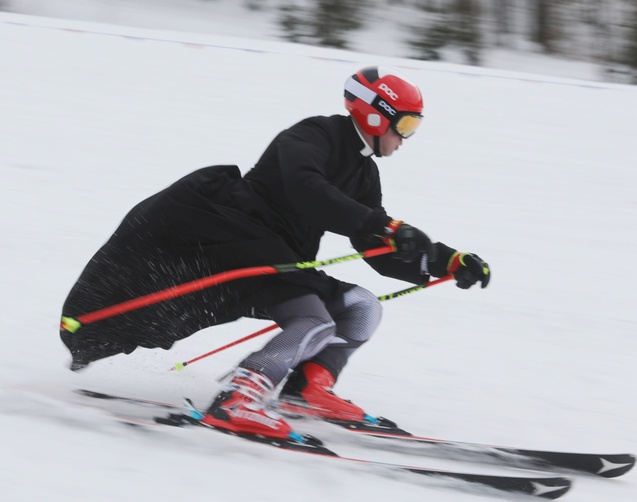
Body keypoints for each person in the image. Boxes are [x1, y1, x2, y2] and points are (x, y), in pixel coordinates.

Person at [60, 66, 490, 442]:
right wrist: (380, 225)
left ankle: (306, 391)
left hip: (280, 259)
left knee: (362, 308)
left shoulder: (364, 173)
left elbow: (377, 248)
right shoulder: (313, 134)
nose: (405, 139)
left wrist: (445, 261)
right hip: (237, 244)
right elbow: (308, 189)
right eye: (407, 126)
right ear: (376, 115)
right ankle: (239, 399)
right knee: (315, 321)